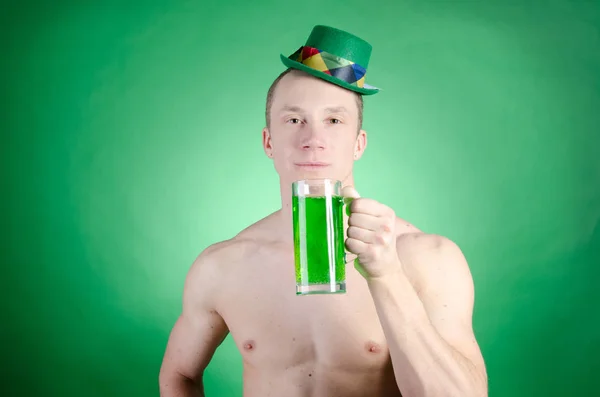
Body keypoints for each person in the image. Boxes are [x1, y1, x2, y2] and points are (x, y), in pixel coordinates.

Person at [158, 25, 488, 397]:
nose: (313, 140)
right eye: (294, 120)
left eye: (334, 120)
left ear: (358, 142)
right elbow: (180, 376)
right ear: (269, 141)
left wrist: (387, 275)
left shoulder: (429, 258)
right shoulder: (221, 266)